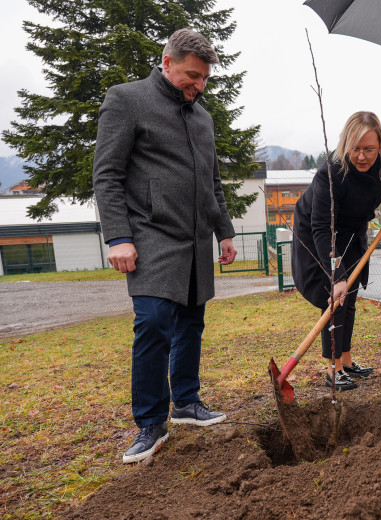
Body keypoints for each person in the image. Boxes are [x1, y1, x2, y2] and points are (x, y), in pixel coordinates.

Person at [93, 29, 238, 463]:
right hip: (150, 233)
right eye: (192, 76)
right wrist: (118, 236)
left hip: (195, 237)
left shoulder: (203, 118)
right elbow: (107, 174)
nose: (199, 85)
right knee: (154, 322)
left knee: (192, 322)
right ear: (167, 61)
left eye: (205, 78)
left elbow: (212, 181)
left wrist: (225, 230)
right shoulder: (127, 100)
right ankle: (151, 423)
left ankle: (187, 402)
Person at [292, 112, 381, 390]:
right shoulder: (331, 172)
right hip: (318, 232)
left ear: (380, 146)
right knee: (335, 298)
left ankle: (345, 362)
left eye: (369, 149)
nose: (361, 156)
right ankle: (332, 370)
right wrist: (336, 275)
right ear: (345, 145)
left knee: (351, 292)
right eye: (354, 149)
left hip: (352, 229)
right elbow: (321, 228)